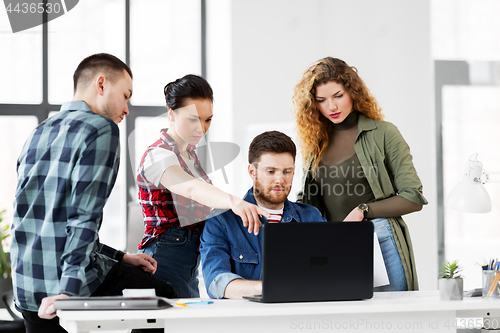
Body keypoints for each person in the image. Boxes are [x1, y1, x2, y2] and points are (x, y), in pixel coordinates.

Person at [11, 53, 177, 333]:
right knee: (166, 299)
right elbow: (83, 218)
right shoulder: (101, 128)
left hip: (26, 287)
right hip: (67, 284)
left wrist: (119, 257)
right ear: (101, 84)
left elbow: (46, 223)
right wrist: (69, 293)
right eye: (125, 96)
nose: (126, 109)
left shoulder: (39, 132)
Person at [292, 57, 428, 291]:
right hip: (334, 245)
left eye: (338, 96)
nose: (331, 107)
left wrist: (364, 210)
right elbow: (307, 203)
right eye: (321, 100)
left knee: (391, 322)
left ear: (353, 92)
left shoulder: (384, 133)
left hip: (380, 238)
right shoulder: (316, 143)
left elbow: (413, 196)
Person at [136, 74, 268, 298]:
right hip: (162, 258)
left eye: (208, 119)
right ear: (171, 114)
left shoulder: (189, 154)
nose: (202, 128)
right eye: (193, 119)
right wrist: (234, 202)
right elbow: (190, 188)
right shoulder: (158, 155)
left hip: (189, 262)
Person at [200, 131, 326, 299]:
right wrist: (277, 287)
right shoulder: (222, 221)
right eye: (271, 171)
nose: (280, 180)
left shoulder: (311, 217)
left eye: (287, 172)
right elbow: (218, 284)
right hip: (248, 321)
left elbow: (328, 272)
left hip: (300, 316)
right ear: (253, 172)